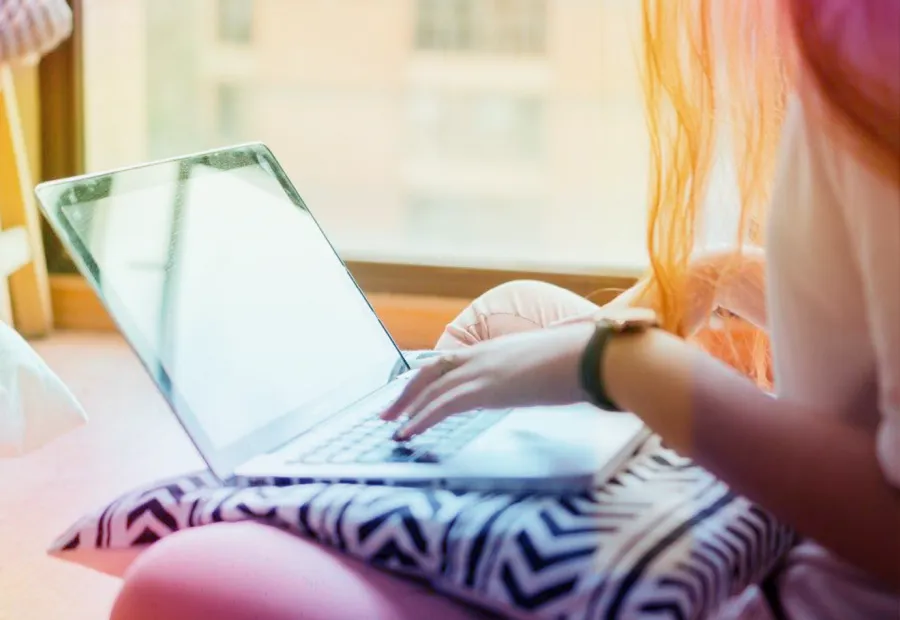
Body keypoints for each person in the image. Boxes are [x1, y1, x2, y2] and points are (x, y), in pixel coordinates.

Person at [110, 0, 899, 618]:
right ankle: (402, 492)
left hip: (794, 587)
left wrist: (620, 364)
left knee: (175, 577)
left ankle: (408, 528)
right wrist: (719, 275)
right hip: (792, 521)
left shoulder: (872, 69)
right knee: (511, 317)